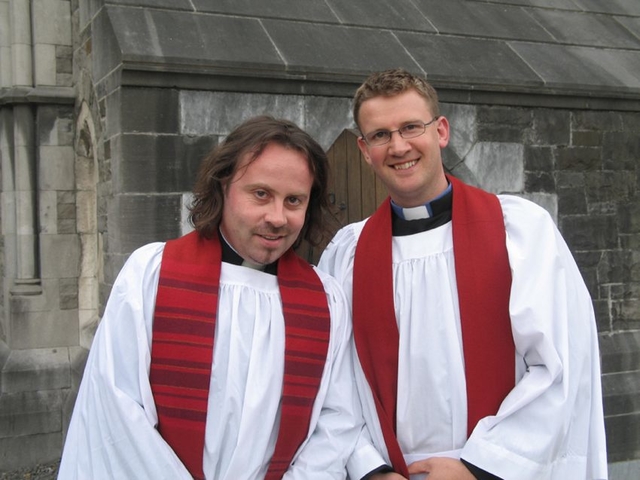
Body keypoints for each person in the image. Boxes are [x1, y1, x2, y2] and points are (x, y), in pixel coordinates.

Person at [58, 116, 396, 480]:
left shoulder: (325, 300)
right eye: (261, 194)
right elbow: (116, 411)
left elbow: (338, 417)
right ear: (224, 186)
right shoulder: (150, 275)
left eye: (294, 200)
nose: (277, 217)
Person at [318, 69, 608, 480]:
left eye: (410, 128)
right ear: (365, 150)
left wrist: (479, 466)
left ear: (440, 131)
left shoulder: (519, 232)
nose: (398, 146)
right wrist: (371, 468)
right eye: (381, 135)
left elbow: (561, 365)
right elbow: (335, 378)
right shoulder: (347, 254)